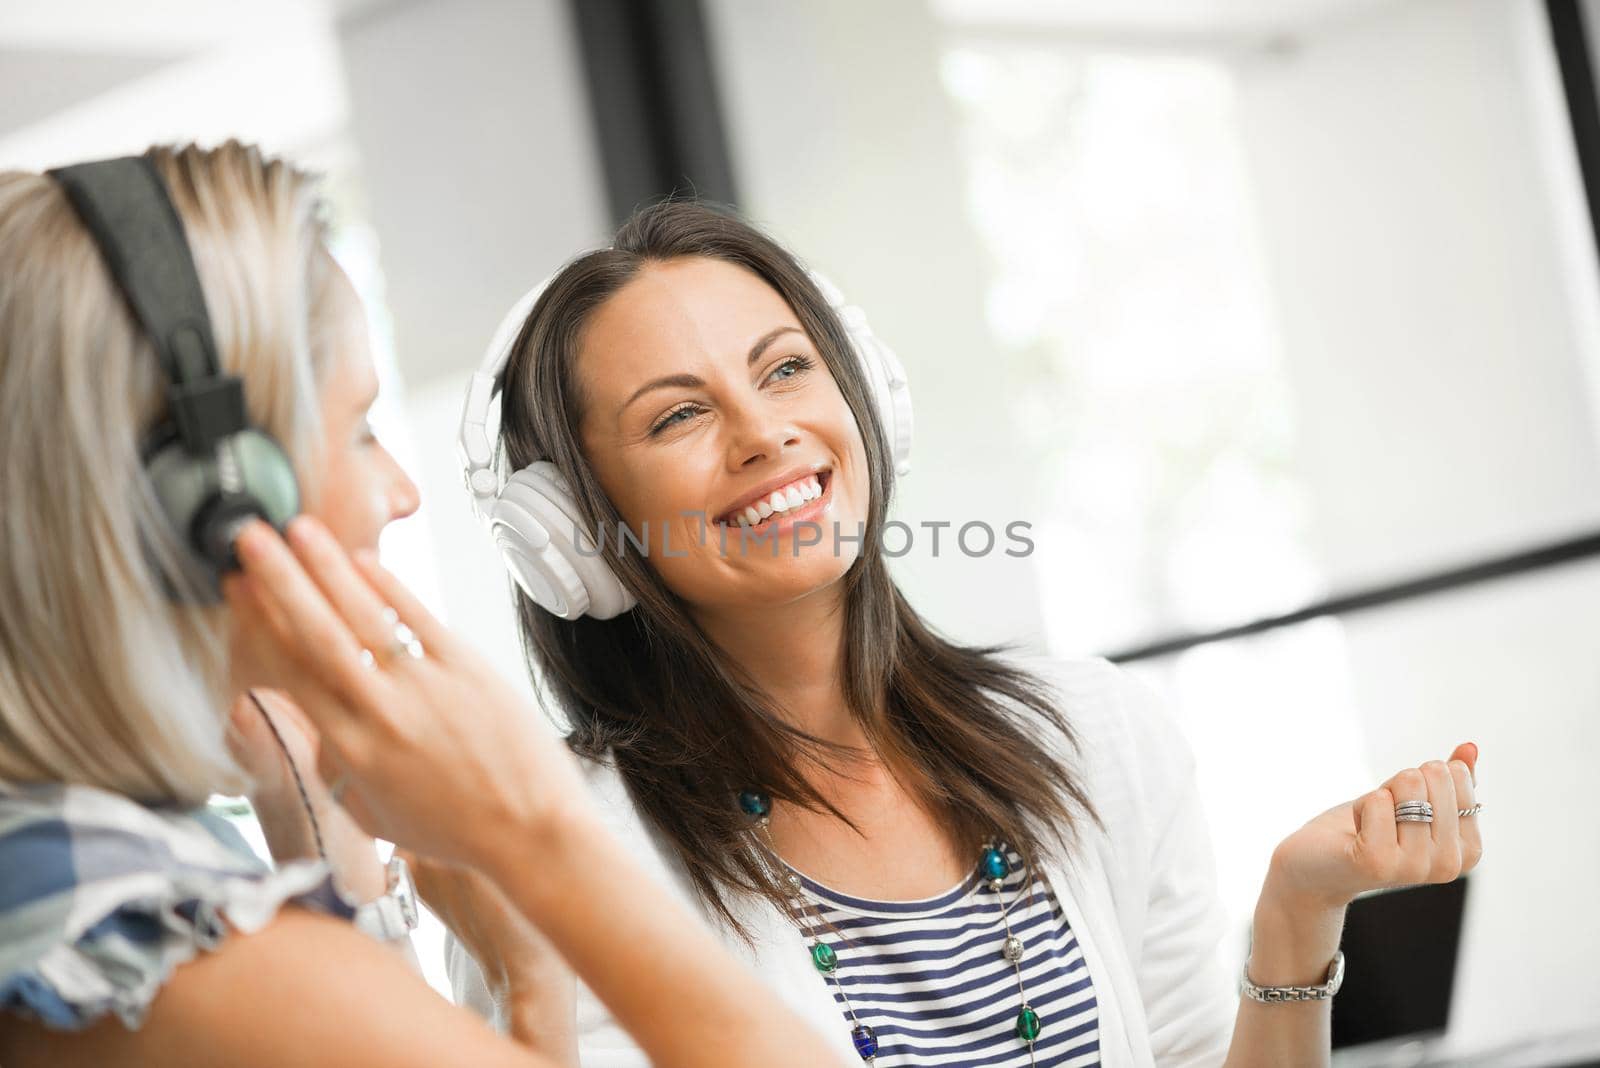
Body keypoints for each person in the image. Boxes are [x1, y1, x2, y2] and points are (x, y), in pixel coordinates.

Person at [438, 200, 1487, 1067]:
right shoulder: (560, 852)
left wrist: (1295, 919)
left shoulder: (1094, 735)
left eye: (786, 369)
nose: (765, 433)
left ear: (867, 396)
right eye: (677, 416)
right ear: (570, 530)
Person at [0, 142, 847, 1068]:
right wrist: (541, 837)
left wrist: (528, 978)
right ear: (208, 495)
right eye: (359, 429)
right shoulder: (151, 951)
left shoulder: (78, 875)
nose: (400, 491)